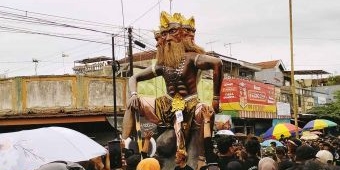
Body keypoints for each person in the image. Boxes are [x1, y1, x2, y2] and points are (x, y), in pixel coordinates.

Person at [122, 11, 223, 167]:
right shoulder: (162, 64)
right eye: (165, 34)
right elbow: (133, 78)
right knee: (133, 102)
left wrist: (216, 99)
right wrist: (134, 94)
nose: (168, 38)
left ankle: (201, 159)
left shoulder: (191, 57)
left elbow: (217, 63)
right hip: (166, 103)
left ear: (181, 34)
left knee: (203, 110)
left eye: (172, 32)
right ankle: (123, 144)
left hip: (189, 104)